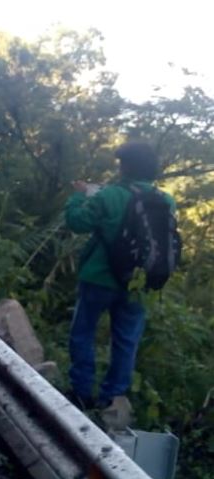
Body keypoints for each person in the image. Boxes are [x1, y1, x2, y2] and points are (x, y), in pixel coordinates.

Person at [64, 142, 176, 409]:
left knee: (83, 333)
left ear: (125, 167)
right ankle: (112, 398)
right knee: (126, 341)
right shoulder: (166, 200)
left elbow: (77, 222)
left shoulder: (109, 196)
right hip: (139, 282)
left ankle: (81, 392)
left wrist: (79, 196)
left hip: (99, 277)